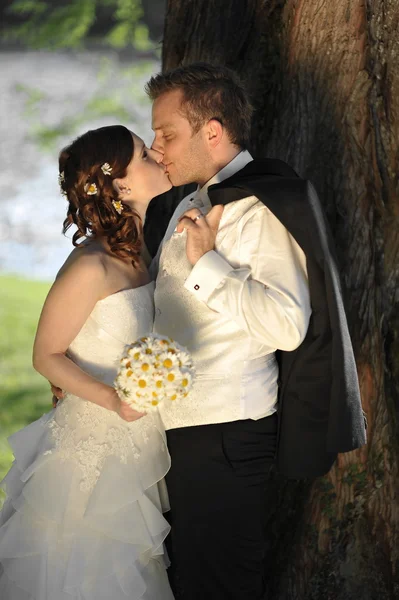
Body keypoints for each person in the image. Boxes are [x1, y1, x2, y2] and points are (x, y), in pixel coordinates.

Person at [145, 63, 366, 599]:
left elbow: (287, 325)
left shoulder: (256, 208)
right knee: (187, 577)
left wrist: (206, 267)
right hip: (185, 430)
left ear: (213, 132)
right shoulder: (194, 202)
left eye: (167, 134)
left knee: (218, 582)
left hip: (224, 434)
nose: (156, 148)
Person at [0, 125, 175, 600]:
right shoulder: (90, 264)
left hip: (141, 439)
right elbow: (45, 355)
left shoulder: (143, 247)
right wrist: (114, 402)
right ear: (121, 187)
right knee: (91, 568)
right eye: (144, 153)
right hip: (92, 449)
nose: (157, 155)